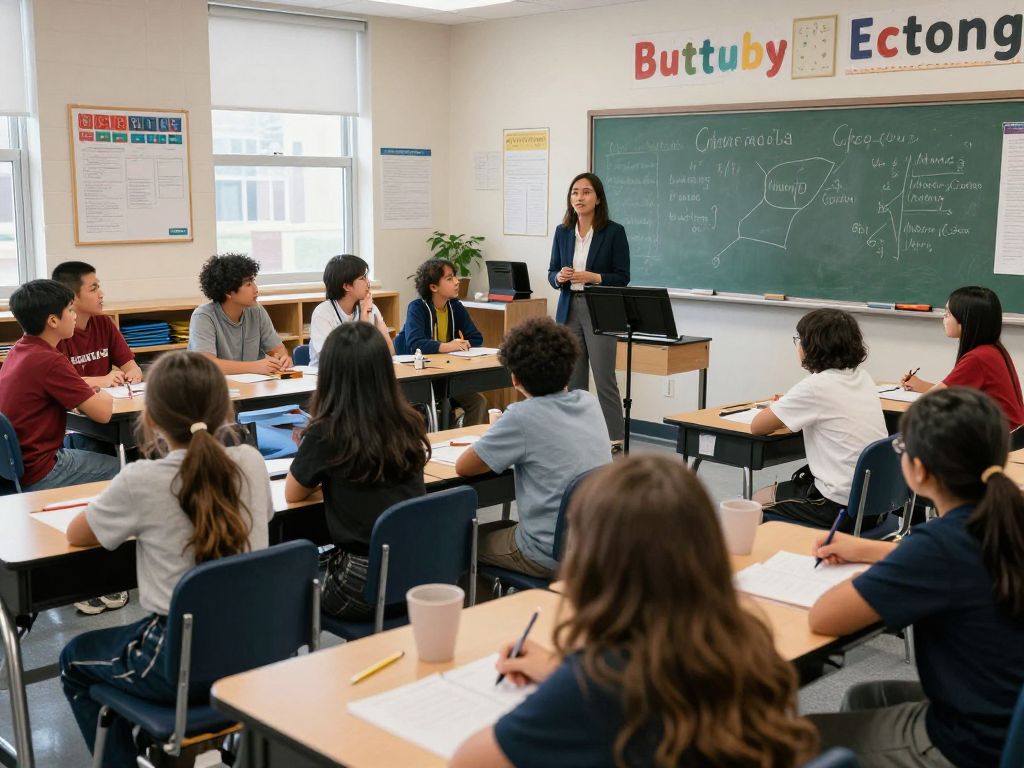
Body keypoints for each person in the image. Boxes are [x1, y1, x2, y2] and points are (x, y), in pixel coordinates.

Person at [451, 455, 819, 767]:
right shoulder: (744, 642)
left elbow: (468, 759)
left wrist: (565, 684)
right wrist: (558, 672)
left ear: (591, 567)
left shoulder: (596, 686)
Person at [59, 351, 274, 766]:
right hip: (255, 646)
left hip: (176, 658)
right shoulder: (250, 462)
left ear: (151, 419)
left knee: (74, 660)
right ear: (226, 410)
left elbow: (76, 533)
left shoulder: (141, 479)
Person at [808, 387, 1024, 768]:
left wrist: (878, 569)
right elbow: (954, 565)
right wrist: (869, 550)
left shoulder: (939, 545)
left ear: (919, 470)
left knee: (800, 738)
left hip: (968, 744)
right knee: (864, 698)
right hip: (1004, 714)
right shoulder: (1002, 520)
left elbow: (823, 616)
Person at [286, 323, 429, 619]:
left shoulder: (328, 431)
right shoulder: (408, 421)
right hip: (420, 573)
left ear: (330, 376)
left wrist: (323, 473)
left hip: (362, 583)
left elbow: (293, 492)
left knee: (286, 588)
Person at [455, 317, 611, 579]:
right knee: (501, 527)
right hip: (594, 547)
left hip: (547, 553)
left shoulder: (521, 416)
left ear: (514, 378)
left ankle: (487, 615)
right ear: (569, 368)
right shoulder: (588, 401)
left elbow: (464, 466)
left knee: (461, 542)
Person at [751, 308, 886, 531]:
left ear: (811, 346)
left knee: (757, 500)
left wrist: (785, 406)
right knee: (773, 493)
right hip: (875, 505)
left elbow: (758, 426)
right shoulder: (863, 378)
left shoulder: (815, 386)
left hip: (838, 509)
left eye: (799, 339)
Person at [0, 280, 119, 491]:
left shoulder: (19, 350)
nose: (75, 316)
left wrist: (82, 393)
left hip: (16, 469)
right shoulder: (50, 360)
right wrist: (105, 394)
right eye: (70, 310)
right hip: (42, 469)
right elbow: (103, 413)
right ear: (53, 321)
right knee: (125, 469)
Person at [547, 172, 630, 452]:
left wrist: (593, 277)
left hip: (601, 308)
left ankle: (614, 438)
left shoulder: (613, 232)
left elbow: (622, 276)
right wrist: (559, 277)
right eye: (574, 193)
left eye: (585, 192)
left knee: (604, 376)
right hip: (569, 306)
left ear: (597, 198)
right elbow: (551, 271)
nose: (579, 198)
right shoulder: (562, 231)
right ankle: (579, 434)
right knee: (573, 377)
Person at [900, 286, 1024, 430]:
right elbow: (952, 393)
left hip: (999, 442)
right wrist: (920, 385)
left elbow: (926, 403)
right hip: (1011, 436)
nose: (944, 317)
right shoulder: (993, 350)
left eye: (948, 313)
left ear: (966, 320)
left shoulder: (978, 358)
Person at [398, 257, 486, 425]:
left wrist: (458, 345)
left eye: (455, 276)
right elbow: (416, 343)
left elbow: (476, 338)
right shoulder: (417, 307)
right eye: (449, 278)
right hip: (418, 378)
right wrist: (449, 346)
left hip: (446, 375)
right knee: (417, 415)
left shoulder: (455, 306)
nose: (456, 282)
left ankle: (465, 445)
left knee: (478, 402)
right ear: (433, 287)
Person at [187, 253, 293, 375]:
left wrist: (283, 359)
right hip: (216, 388)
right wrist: (255, 367)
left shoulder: (256, 311)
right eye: (248, 284)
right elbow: (207, 364)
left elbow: (278, 349)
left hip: (253, 387)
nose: (256, 289)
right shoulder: (203, 317)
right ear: (228, 292)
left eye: (253, 281)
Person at [51, 261, 143, 389]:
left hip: (106, 401)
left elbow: (130, 365)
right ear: (71, 296)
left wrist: (134, 373)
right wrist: (103, 380)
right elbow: (59, 383)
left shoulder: (103, 322)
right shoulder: (55, 331)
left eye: (98, 287)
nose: (101, 294)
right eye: (93, 289)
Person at [309, 254, 394, 366]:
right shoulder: (322, 313)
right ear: (346, 286)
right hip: (330, 377)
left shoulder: (370, 308)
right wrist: (363, 317)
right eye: (362, 278)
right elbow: (337, 359)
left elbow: (389, 350)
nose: (368, 283)